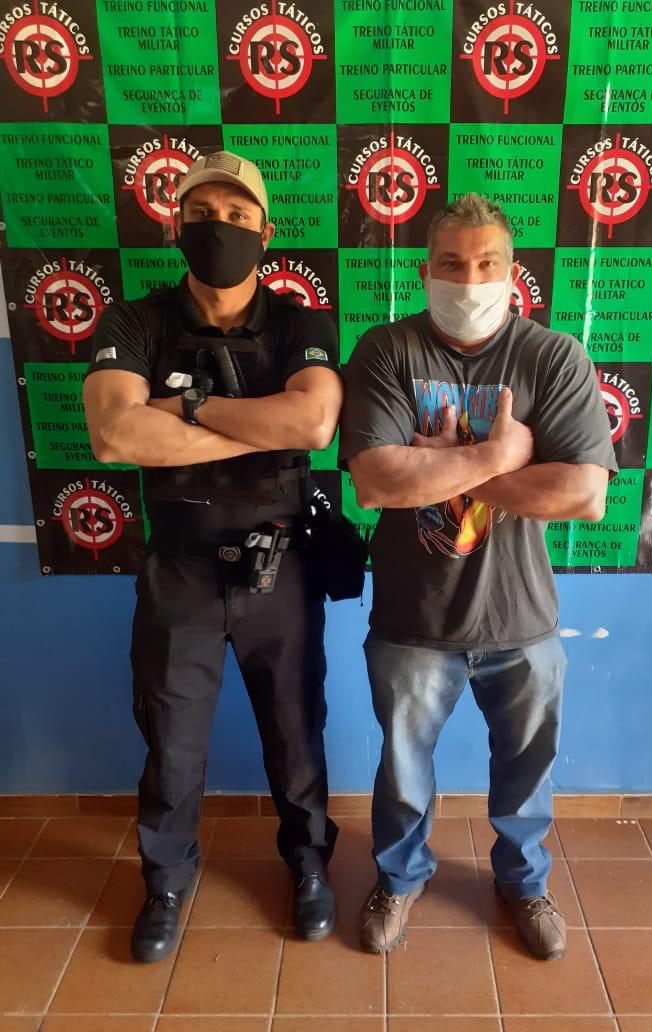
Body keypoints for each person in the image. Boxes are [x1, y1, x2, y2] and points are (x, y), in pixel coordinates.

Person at [339, 193, 617, 960]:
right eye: (452, 263)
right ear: (424, 270)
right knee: (402, 772)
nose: (469, 280)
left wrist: (448, 467)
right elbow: (377, 482)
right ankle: (399, 878)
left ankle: (524, 884)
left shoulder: (552, 357)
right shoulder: (387, 351)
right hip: (413, 619)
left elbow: (584, 495)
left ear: (512, 271)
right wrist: (501, 455)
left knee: (528, 773)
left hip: (521, 619)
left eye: (487, 263)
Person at [83, 151, 342, 962]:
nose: (217, 228)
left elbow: (311, 425)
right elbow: (114, 434)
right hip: (181, 568)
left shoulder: (301, 323)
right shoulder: (135, 321)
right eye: (200, 214)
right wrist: (253, 427)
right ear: (175, 226)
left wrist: (187, 408)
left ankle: (309, 865)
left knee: (296, 731)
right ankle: (165, 882)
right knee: (171, 739)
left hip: (280, 566)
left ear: (267, 231)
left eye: (235, 215)